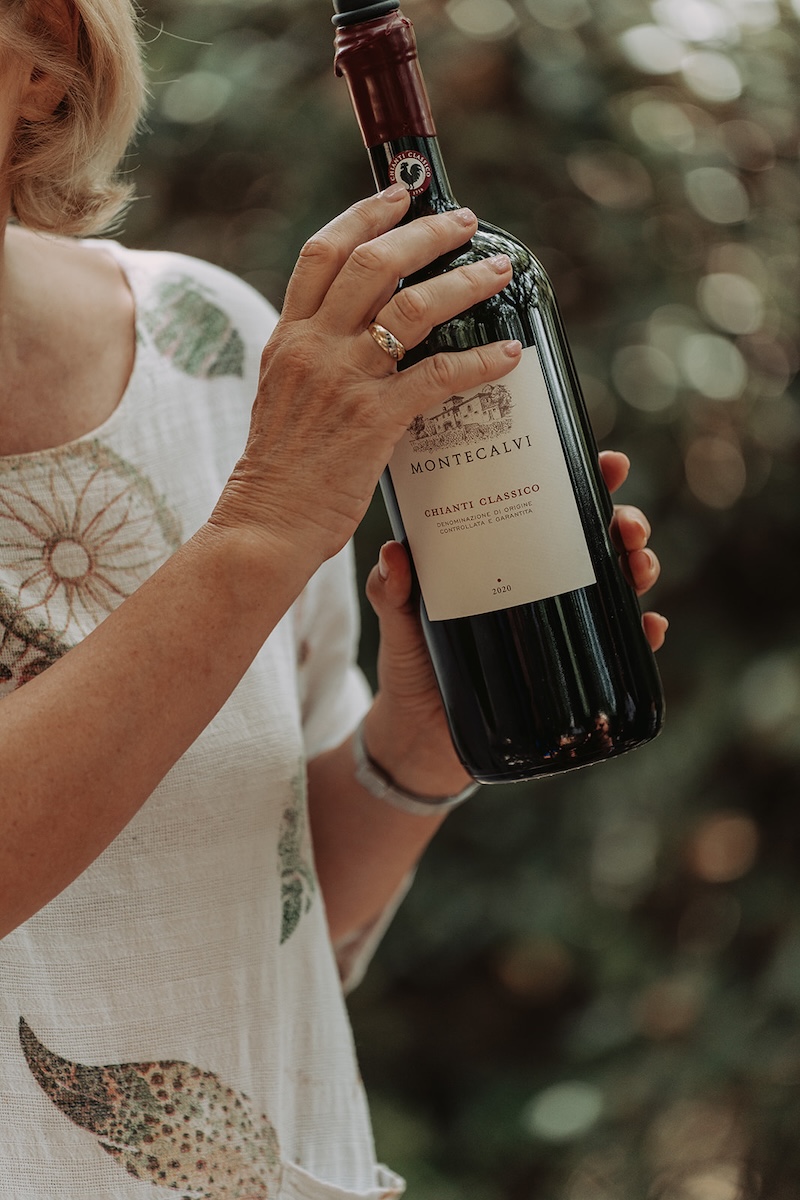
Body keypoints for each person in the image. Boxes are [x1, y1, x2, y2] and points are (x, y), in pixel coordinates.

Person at [0, 0, 668, 1195]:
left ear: (41, 57)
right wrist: (260, 531)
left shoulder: (206, 342)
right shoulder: (267, 468)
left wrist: (414, 750)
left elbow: (275, 898)